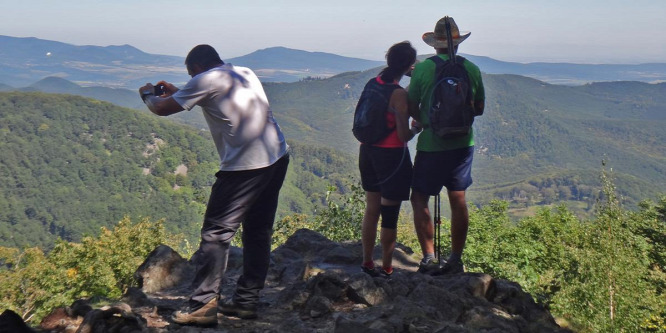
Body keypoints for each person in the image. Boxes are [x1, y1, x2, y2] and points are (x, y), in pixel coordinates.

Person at [138, 44, 290, 326]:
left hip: (246, 167)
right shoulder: (242, 72)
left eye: (191, 76)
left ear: (195, 69)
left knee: (216, 234)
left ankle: (203, 306)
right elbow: (208, 94)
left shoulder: (204, 80)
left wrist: (147, 93)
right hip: (277, 156)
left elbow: (160, 109)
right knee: (258, 231)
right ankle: (246, 302)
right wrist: (180, 90)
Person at [408, 17, 485, 275]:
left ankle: (428, 257)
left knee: (419, 198)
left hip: (431, 143)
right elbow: (480, 109)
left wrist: (422, 121)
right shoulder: (472, 69)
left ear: (435, 44)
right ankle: (455, 259)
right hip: (463, 143)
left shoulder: (423, 69)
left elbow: (411, 104)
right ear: (457, 43)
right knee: (458, 199)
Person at [358, 41, 420, 278]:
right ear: (408, 66)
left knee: (371, 209)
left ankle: (366, 262)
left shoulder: (372, 83)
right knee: (390, 215)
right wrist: (417, 129)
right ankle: (386, 266)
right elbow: (404, 134)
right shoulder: (399, 94)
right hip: (392, 158)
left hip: (367, 152)